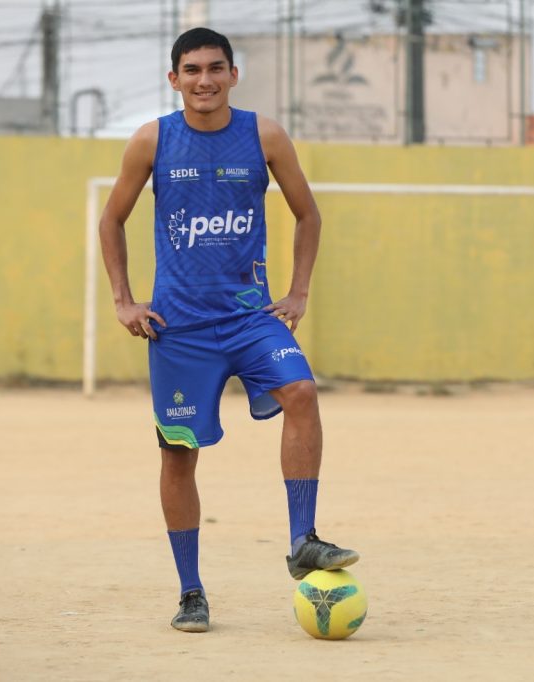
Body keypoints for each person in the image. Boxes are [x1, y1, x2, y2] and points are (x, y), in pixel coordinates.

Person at [98, 27, 358, 634]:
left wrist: (297, 292)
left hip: (250, 316)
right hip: (178, 328)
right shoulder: (151, 141)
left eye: (216, 68)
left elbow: (307, 213)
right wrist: (123, 300)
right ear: (175, 80)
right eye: (192, 70)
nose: (205, 80)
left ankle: (303, 540)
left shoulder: (263, 135)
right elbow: (112, 220)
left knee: (302, 391)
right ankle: (191, 592)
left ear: (234, 75)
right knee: (180, 456)